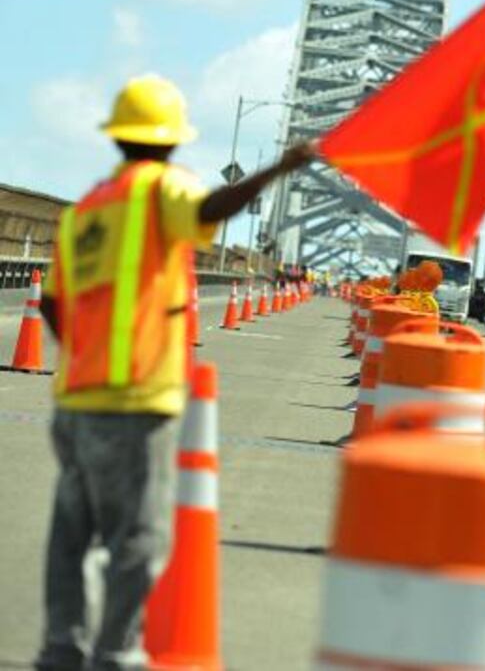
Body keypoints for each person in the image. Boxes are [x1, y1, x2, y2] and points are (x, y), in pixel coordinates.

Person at [34, 74, 316, 671]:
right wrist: (278, 169)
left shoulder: (85, 210)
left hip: (76, 398)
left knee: (71, 535)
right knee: (137, 539)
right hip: (136, 400)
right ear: (170, 141)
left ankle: (61, 650)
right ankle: (114, 656)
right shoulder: (160, 190)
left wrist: (83, 357)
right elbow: (211, 207)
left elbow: (55, 303)